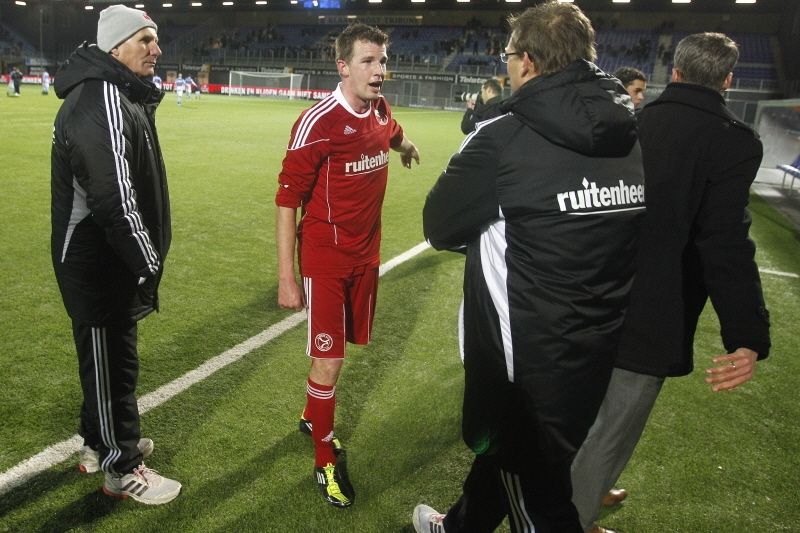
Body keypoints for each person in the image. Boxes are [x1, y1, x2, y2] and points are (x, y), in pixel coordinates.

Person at [413, 2, 644, 531]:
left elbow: (440, 226)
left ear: (529, 62)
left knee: (535, 492)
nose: (508, 64)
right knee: (517, 459)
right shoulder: (629, 132)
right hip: (596, 342)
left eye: (509, 54)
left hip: (527, 358)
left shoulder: (504, 137)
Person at [570, 32, 771, 533]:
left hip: (591, 290)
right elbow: (725, 244)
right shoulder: (734, 141)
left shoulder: (633, 121)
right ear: (728, 80)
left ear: (675, 73)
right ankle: (572, 516)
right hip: (657, 306)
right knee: (615, 423)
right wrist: (746, 334)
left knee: (581, 408)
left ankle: (586, 488)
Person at [275, 22, 419, 510]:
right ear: (343, 66)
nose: (379, 70)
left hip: (366, 256)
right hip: (326, 260)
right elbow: (287, 200)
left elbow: (391, 133)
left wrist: (407, 147)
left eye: (383, 61)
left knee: (343, 352)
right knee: (330, 360)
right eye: (368, 61)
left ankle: (310, 414)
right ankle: (324, 459)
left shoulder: (378, 108)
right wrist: (287, 277)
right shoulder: (317, 122)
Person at [51, 4, 181, 505]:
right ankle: (120, 466)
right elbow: (113, 198)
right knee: (112, 366)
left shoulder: (115, 92)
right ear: (115, 47)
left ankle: (98, 442)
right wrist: (147, 261)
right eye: (145, 40)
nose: (157, 49)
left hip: (103, 257)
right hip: (99, 261)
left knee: (108, 361)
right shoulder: (101, 97)